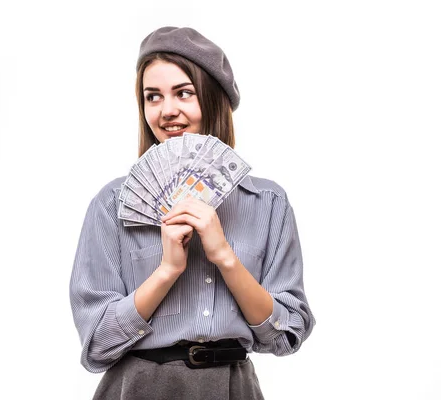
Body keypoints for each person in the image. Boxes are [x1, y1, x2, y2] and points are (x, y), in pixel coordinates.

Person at [69, 26, 315, 400]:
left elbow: (287, 333)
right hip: (140, 388)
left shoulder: (268, 204)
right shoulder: (111, 205)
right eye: (153, 97)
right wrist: (167, 271)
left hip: (234, 388)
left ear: (214, 99)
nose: (167, 110)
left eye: (184, 93)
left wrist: (225, 258)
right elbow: (96, 346)